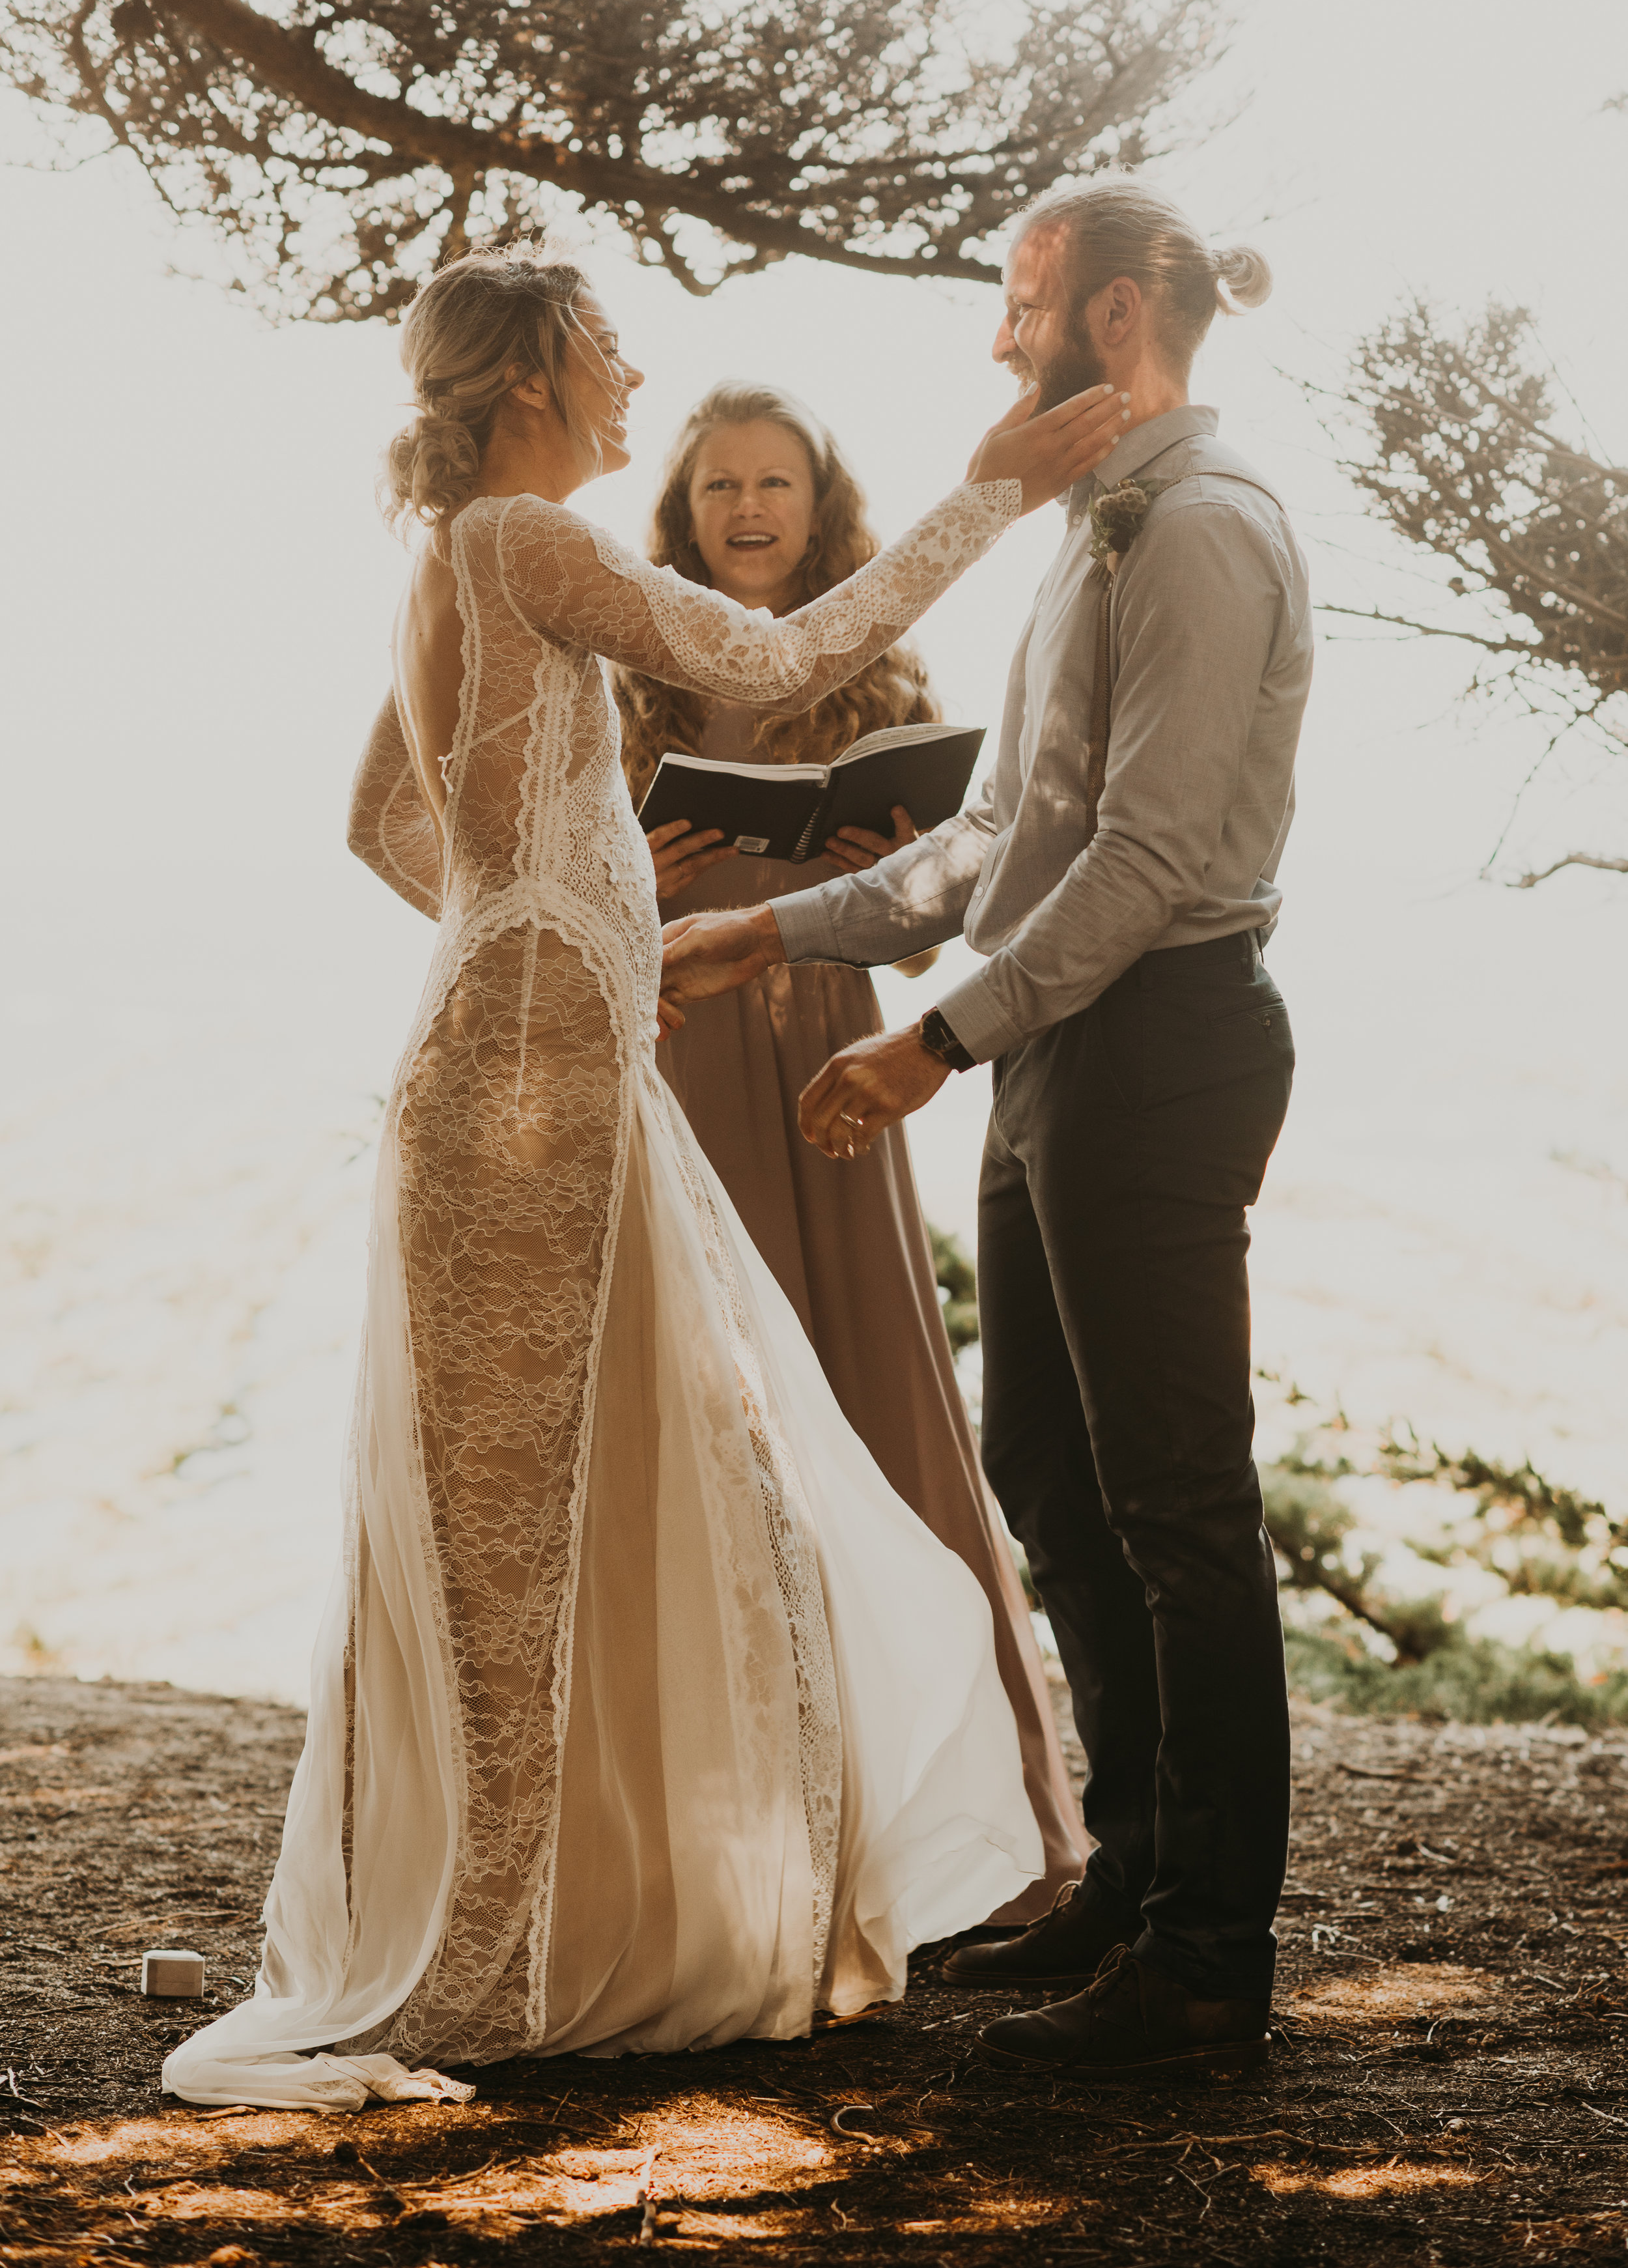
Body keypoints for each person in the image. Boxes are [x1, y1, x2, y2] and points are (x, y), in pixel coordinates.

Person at [160, 242, 1129, 2111]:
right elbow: (771, 660)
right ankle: (502, 1937)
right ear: (527, 375)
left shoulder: (470, 553)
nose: (630, 380)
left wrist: (556, 881)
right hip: (522, 1080)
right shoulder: (521, 538)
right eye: (605, 350)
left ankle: (562, 1906)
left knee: (610, 1487)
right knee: (529, 1518)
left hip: (529, 1046)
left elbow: (384, 821)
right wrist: (992, 488)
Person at [660, 178, 1314, 2080]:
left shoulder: (1198, 528)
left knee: (1181, 1502)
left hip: (1161, 1042)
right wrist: (760, 925)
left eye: (1018, 300)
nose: (995, 336)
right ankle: (1131, 1873)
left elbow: (1146, 859)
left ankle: (1207, 1963)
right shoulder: (1081, 541)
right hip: (1056, 1053)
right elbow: (991, 846)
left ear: (1114, 319)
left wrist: (924, 1052)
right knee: (1046, 1466)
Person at [615, 382, 1085, 1916]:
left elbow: (974, 862)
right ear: (680, 510)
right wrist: (637, 857)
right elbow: (545, 867)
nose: (749, 509)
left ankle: (958, 1816)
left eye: (778, 484)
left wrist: (909, 867)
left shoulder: (880, 670)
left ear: (823, 509)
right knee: (705, 1406)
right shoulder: (632, 667)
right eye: (719, 486)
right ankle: (736, 1834)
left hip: (824, 1032)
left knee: (868, 1378)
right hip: (680, 1049)